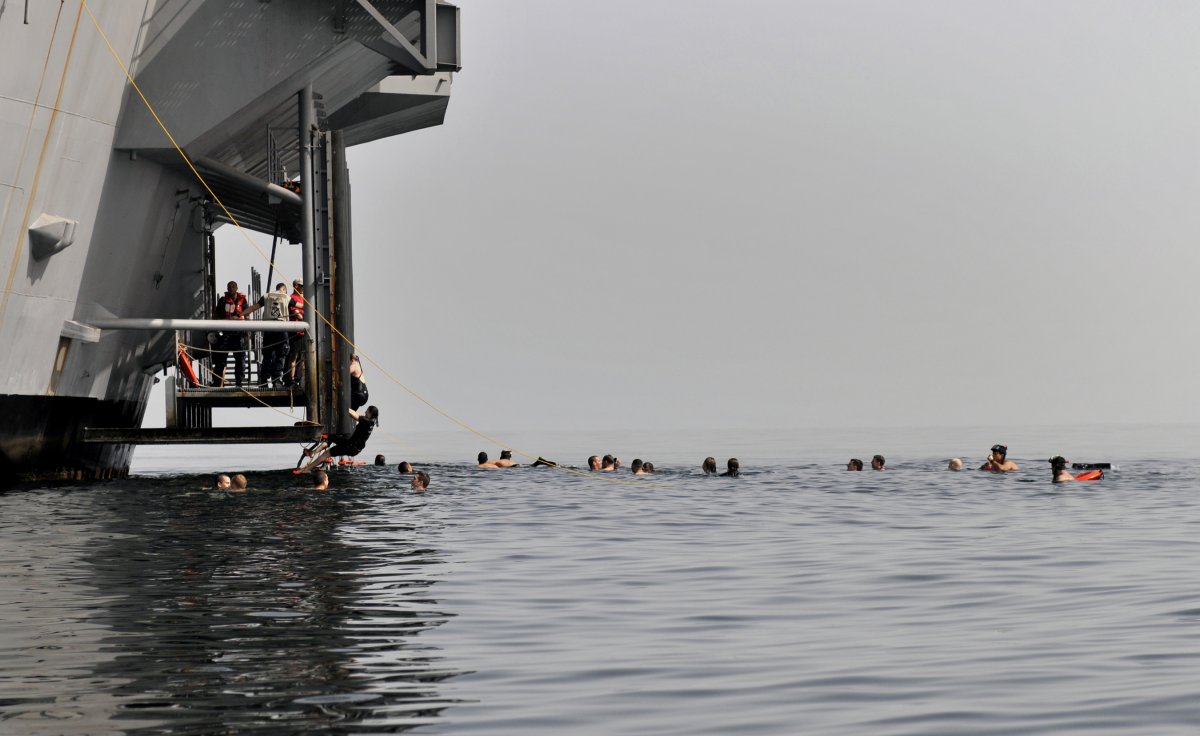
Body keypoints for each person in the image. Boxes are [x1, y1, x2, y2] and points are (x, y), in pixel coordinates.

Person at [299, 407, 379, 471]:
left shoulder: (367, 422)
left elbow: (356, 416)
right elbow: (357, 415)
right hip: (354, 446)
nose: (365, 412)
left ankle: (306, 469)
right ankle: (312, 454)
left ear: (371, 414)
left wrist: (343, 406)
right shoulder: (372, 422)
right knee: (330, 437)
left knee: (326, 453)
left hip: (350, 446)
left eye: (367, 411)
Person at [245, 282, 290, 387]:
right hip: (281, 328)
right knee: (280, 355)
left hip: (269, 328)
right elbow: (299, 305)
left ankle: (264, 380)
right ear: (284, 289)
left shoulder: (267, 296)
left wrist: (242, 314)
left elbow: (255, 306)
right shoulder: (286, 297)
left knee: (267, 354)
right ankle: (276, 380)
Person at [212, 280, 248, 387]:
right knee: (221, 361)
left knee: (240, 359)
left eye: (233, 287)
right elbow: (217, 314)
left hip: (239, 333)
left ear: (237, 288)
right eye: (229, 287)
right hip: (226, 333)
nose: (231, 289)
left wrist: (246, 332)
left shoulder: (243, 300)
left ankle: (239, 382)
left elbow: (247, 315)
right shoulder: (222, 301)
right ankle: (217, 382)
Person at [284, 280, 306, 388]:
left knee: (302, 356)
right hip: (295, 331)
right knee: (294, 355)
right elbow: (295, 313)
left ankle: (299, 378)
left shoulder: (304, 298)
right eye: (301, 286)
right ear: (296, 286)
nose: (303, 288)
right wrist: (304, 318)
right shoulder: (291, 298)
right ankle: (291, 379)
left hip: (303, 332)